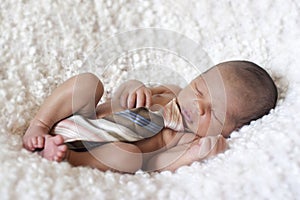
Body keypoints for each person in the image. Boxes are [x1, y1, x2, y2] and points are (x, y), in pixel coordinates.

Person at [22, 60, 278, 173]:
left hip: (97, 151)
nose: (199, 105)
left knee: (131, 158)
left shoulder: (186, 140)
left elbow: (157, 164)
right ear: (194, 79)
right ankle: (40, 126)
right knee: (90, 83)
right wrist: (134, 88)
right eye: (200, 89)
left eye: (215, 113)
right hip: (78, 117)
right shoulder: (168, 92)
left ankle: (68, 157)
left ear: (230, 131)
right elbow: (121, 92)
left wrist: (192, 155)